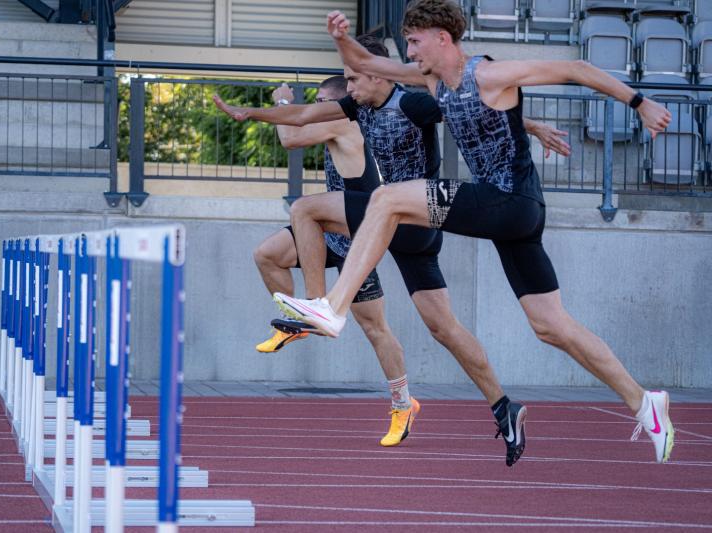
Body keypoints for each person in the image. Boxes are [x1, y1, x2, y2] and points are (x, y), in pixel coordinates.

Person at [272, 0, 675, 464]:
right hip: (510, 218)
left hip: (511, 201)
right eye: (407, 43)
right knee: (551, 326)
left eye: (416, 41)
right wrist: (340, 35)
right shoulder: (429, 80)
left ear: (443, 38)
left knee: (387, 199)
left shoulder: (488, 75)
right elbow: (366, 64)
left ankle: (332, 308)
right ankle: (645, 403)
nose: (410, 51)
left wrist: (641, 103)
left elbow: (577, 67)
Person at [215, 35, 571, 466]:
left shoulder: (412, 104)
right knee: (445, 328)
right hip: (410, 228)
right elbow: (303, 113)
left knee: (306, 209)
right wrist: (250, 112)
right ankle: (504, 407)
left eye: (352, 78)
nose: (348, 88)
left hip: (408, 214)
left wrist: (529, 125)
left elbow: (471, 111)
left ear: (374, 73)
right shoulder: (358, 106)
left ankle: (317, 307)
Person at [252, 75, 419, 447]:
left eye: (321, 102)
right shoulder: (337, 122)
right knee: (268, 255)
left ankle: (403, 404)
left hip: (357, 241)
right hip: (327, 229)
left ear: (340, 102)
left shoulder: (344, 120)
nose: (313, 109)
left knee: (376, 329)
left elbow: (291, 137)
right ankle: (302, 316)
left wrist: (282, 103)